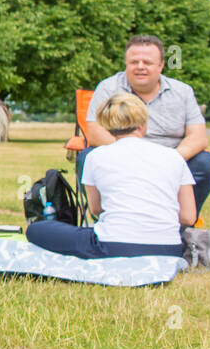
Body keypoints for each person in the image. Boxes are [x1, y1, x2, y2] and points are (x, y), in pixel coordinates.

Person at [28, 93, 194, 259]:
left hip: (112, 247)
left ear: (106, 127)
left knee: (37, 229)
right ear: (143, 125)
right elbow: (188, 217)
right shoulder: (174, 157)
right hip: (170, 250)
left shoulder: (95, 156)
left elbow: (96, 209)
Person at [84, 35, 210, 216]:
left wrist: (167, 160)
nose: (140, 67)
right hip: (121, 157)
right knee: (87, 156)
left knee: (205, 163)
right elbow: (95, 133)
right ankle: (112, 219)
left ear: (161, 65)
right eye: (134, 62)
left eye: (147, 62)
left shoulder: (182, 92)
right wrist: (138, 158)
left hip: (171, 158)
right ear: (126, 64)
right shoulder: (107, 88)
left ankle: (178, 224)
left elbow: (198, 137)